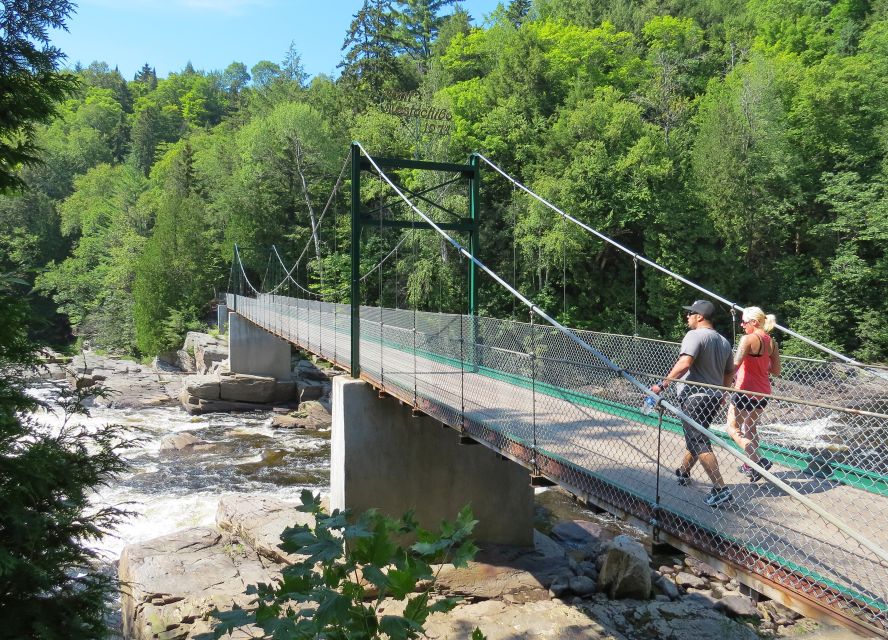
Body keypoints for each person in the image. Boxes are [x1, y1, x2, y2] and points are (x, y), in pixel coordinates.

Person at [651, 300, 734, 507]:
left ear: (699, 317)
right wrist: (722, 393)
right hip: (713, 398)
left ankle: (720, 489)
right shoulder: (724, 341)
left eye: (690, 314)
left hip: (694, 398)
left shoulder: (694, 335)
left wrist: (663, 385)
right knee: (697, 436)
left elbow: (685, 362)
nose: (687, 317)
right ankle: (684, 473)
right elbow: (729, 372)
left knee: (699, 441)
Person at [728, 306, 781, 482]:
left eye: (744, 321)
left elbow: (735, 365)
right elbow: (776, 370)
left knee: (732, 429)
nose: (742, 325)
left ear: (754, 322)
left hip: (745, 390)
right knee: (750, 427)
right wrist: (760, 364)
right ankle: (750, 465)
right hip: (763, 392)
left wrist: (721, 381)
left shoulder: (748, 339)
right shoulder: (772, 342)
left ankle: (758, 461)